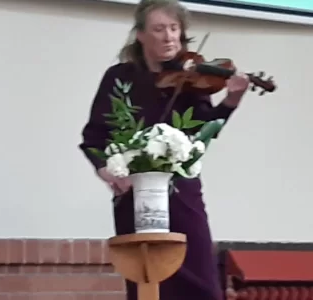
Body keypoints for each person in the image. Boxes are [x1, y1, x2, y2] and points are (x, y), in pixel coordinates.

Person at [78, 0, 249, 299]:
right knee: (147, 283)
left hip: (182, 194)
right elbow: (94, 138)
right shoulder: (119, 78)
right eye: (159, 29)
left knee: (204, 285)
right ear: (141, 35)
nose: (169, 36)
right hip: (134, 196)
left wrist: (231, 100)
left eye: (174, 28)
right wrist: (108, 171)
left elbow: (203, 134)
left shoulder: (194, 79)